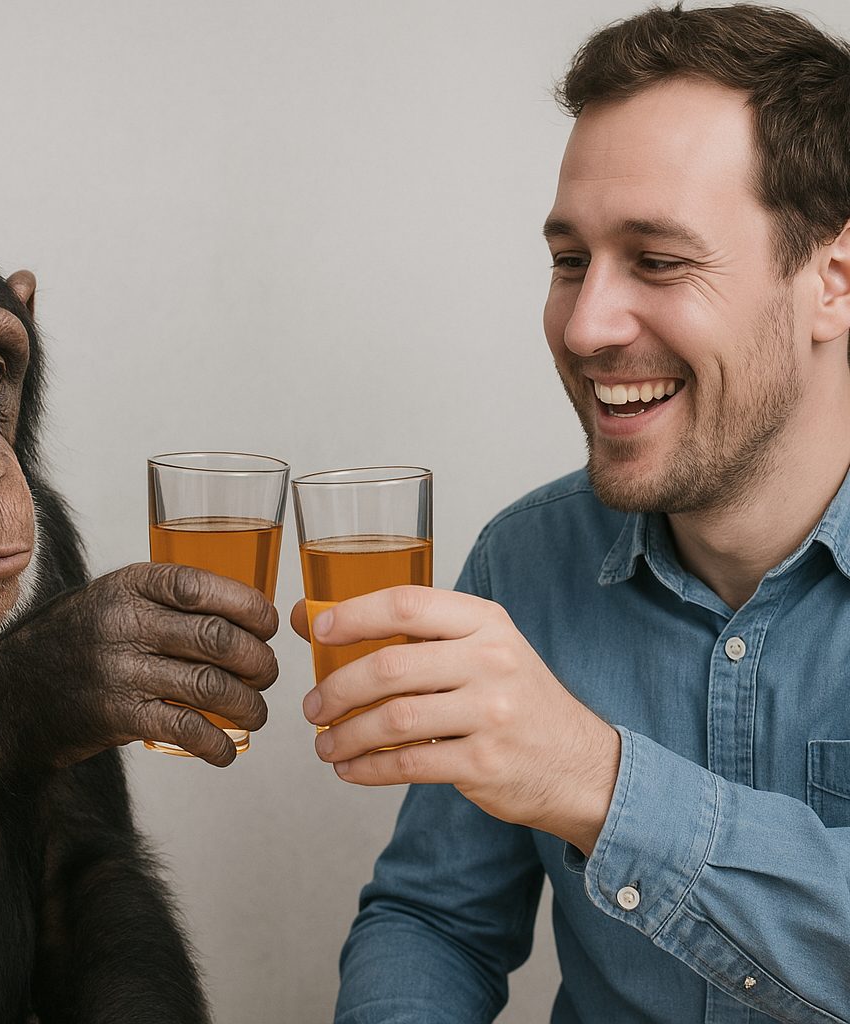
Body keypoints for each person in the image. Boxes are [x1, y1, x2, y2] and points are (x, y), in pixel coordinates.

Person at [292, 4, 850, 1020]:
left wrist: (595, 778)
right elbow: (433, 919)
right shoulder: (521, 561)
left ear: (832, 279)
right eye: (567, 260)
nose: (585, 325)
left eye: (660, 260)